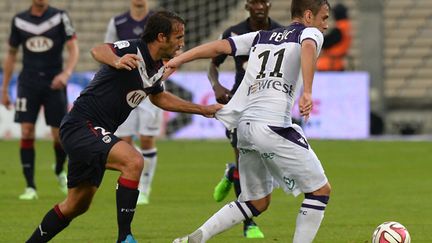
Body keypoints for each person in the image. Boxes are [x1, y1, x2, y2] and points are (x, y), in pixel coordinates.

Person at [25, 11, 222, 243]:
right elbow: (98, 50)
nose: (182, 43)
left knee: (76, 205)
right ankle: (124, 237)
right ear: (161, 37)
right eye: (178, 37)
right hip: (81, 124)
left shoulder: (158, 67)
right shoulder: (134, 49)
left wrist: (202, 109)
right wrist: (116, 60)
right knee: (133, 161)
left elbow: (159, 98)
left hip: (95, 132)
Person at [166, 0, 332, 242]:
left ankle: (195, 238)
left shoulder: (261, 36)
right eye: (324, 18)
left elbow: (218, 47)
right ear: (308, 15)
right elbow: (308, 46)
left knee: (256, 201)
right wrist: (307, 91)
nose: (325, 25)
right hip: (272, 126)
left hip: (244, 128)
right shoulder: (310, 33)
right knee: (320, 191)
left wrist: (177, 60)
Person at [208, 0, 283, 238]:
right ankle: (248, 223)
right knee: (244, 159)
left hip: (269, 105)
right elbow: (213, 65)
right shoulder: (233, 33)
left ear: (270, 5)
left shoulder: (281, 33)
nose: (259, 6)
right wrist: (216, 85)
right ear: (247, 5)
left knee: (268, 163)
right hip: (240, 106)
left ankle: (232, 174)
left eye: (264, 1)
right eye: (254, 1)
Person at [1, 0, 79, 199]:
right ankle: (30, 187)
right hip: (28, 83)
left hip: (54, 83)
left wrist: (66, 74)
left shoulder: (60, 17)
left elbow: (73, 48)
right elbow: (11, 54)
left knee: (59, 136)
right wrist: (4, 88)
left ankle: (59, 169)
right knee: (26, 131)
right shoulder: (19, 21)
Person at [105, 0, 159, 205]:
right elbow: (108, 52)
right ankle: (132, 181)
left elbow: (173, 50)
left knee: (146, 139)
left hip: (150, 85)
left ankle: (145, 187)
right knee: (125, 141)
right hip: (124, 89)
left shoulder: (157, 21)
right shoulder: (117, 22)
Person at [316, 3, 351, 71]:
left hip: (329, 65)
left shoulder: (339, 29)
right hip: (338, 64)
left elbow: (325, 43)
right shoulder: (347, 27)